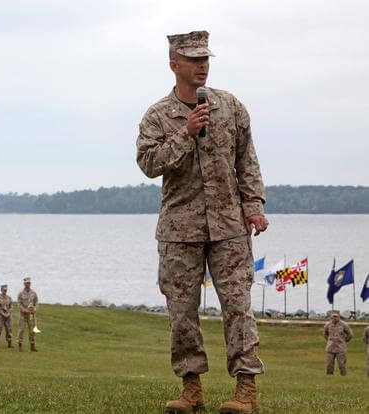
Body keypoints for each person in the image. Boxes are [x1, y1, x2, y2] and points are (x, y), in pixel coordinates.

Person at [136, 31, 268, 414]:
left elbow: (247, 161)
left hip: (228, 227)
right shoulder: (158, 115)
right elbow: (148, 164)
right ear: (174, 64)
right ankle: (191, 389)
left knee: (238, 306)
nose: (202, 65)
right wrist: (186, 133)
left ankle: (246, 390)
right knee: (181, 311)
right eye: (193, 60)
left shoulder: (230, 107)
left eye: (205, 59)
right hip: (180, 230)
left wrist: (254, 206)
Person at [324, 311, 353, 376]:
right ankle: (329, 377)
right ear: (331, 317)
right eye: (333, 316)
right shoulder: (327, 325)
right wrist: (329, 340)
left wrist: (344, 341)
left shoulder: (344, 325)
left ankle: (343, 376)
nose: (335, 318)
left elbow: (350, 334)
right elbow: (325, 334)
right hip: (330, 348)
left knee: (342, 364)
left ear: (339, 317)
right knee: (329, 364)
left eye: (336, 316)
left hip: (340, 348)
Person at [17, 277, 38, 352]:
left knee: (32, 330)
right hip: (23, 314)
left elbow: (36, 302)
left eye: (29, 283)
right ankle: (20, 345)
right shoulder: (20, 293)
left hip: (31, 315)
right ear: (24, 284)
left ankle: (32, 345)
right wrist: (25, 310)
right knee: (21, 330)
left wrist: (34, 309)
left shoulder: (33, 293)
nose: (28, 284)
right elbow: (19, 304)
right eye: (26, 283)